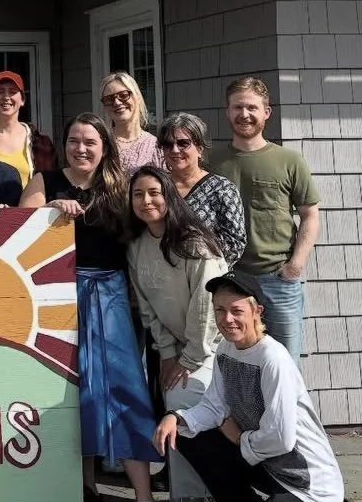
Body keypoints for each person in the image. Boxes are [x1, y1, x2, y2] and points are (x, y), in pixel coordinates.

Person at [153, 271, 358, 502]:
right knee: (185, 434)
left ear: (257, 311)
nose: (227, 319)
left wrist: (239, 438)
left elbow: (281, 438)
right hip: (268, 466)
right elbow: (213, 407)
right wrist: (176, 418)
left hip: (305, 482)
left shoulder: (273, 360)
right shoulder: (226, 350)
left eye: (237, 311)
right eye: (220, 310)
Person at [22, 113, 164, 502]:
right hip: (59, 296)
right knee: (68, 386)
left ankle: (143, 497)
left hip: (111, 293)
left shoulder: (120, 186)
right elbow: (20, 218)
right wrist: (50, 208)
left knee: (124, 385)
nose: (81, 148)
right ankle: (81, 484)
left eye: (90, 142)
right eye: (73, 140)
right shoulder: (45, 179)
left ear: (104, 147)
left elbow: (146, 227)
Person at [126, 166, 228, 502]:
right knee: (175, 408)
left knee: (194, 410)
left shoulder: (194, 243)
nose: (146, 201)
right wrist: (167, 353)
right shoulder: (137, 246)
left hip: (212, 347)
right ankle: (185, 497)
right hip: (177, 349)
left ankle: (214, 500)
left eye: (154, 192)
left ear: (169, 196)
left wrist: (189, 357)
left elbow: (208, 304)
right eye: (138, 194)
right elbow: (147, 307)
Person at [209, 76, 320, 362]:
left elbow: (310, 215)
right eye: (237, 108)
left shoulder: (289, 160)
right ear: (227, 111)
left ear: (266, 112)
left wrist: (295, 266)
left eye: (251, 108)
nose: (244, 115)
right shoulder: (212, 163)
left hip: (278, 280)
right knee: (237, 364)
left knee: (285, 366)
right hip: (230, 279)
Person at [158, 112, 246, 266]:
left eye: (183, 143)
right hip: (160, 273)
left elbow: (235, 243)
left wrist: (194, 263)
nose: (175, 150)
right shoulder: (157, 186)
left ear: (199, 148)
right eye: (167, 144)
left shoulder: (222, 189)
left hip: (205, 277)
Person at [0, 70, 55, 188]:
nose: (6, 97)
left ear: (23, 100)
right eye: (0, 91)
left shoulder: (41, 144)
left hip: (29, 206)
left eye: (13, 92)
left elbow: (50, 184)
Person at [99, 72, 164, 175]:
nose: (117, 102)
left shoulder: (156, 147)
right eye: (109, 99)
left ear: (137, 97)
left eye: (123, 95)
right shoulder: (100, 144)